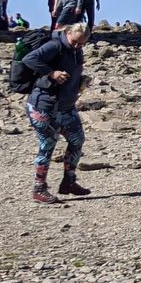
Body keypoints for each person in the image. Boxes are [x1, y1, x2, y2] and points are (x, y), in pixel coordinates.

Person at [22, 21, 91, 203]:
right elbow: (29, 59)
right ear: (68, 33)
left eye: (82, 44)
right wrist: (51, 73)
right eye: (75, 42)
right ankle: (39, 188)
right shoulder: (54, 45)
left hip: (66, 106)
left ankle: (68, 181)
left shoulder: (76, 51)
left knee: (77, 140)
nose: (77, 46)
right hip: (43, 105)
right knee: (48, 144)